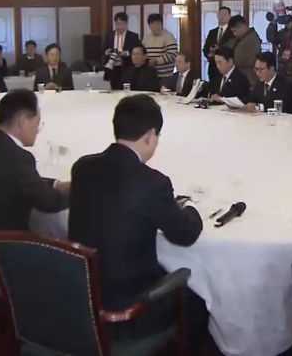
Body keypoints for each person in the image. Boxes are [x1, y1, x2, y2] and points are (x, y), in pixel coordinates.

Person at [68, 94, 205, 351]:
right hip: (128, 310)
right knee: (198, 297)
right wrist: (192, 209)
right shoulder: (152, 182)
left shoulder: (82, 167)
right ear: (150, 135)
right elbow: (184, 234)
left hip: (81, 297)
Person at [0, 89, 70, 266]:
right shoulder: (18, 157)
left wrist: (56, 184)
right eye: (37, 122)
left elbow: (23, 181)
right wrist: (82, 188)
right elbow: (50, 203)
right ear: (23, 121)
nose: (38, 129)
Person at [104, 12, 140, 89]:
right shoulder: (110, 35)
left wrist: (125, 53)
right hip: (113, 67)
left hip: (127, 67)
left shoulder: (133, 36)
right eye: (117, 24)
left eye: (121, 24)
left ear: (126, 24)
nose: (119, 26)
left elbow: (136, 50)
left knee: (126, 87)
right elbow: (104, 48)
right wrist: (107, 52)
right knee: (114, 89)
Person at [202, 6, 234, 90]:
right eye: (220, 14)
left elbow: (233, 50)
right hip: (213, 67)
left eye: (225, 14)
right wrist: (209, 54)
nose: (222, 16)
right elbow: (205, 49)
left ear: (229, 16)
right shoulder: (212, 32)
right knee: (213, 89)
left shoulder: (233, 32)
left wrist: (219, 50)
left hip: (226, 67)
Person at [141, 13, 178, 84]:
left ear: (162, 24)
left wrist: (156, 61)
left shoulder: (169, 37)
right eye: (153, 25)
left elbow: (173, 55)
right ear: (149, 26)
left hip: (165, 76)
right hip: (149, 74)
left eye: (158, 24)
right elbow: (143, 52)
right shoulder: (146, 37)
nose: (156, 27)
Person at [228, 14, 262, 87]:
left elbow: (248, 60)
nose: (234, 34)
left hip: (249, 78)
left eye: (235, 31)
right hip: (242, 77)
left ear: (240, 26)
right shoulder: (243, 38)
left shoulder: (251, 39)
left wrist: (230, 61)